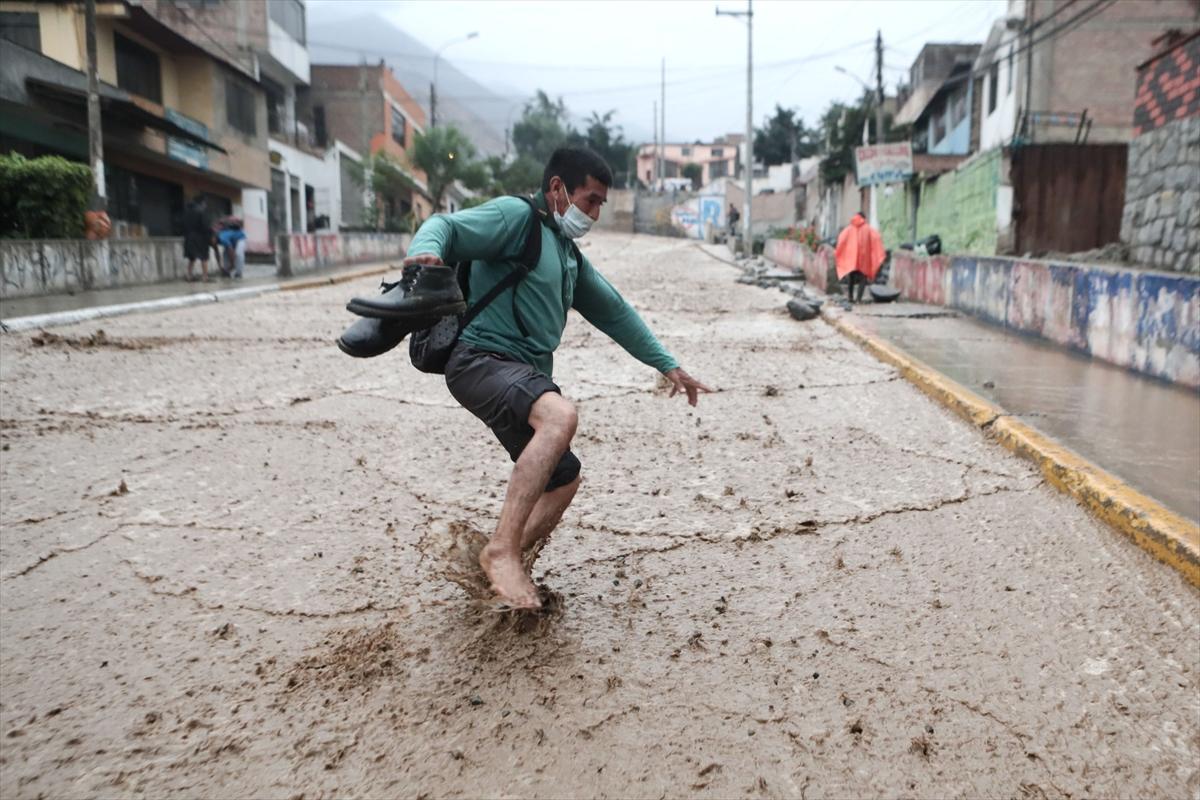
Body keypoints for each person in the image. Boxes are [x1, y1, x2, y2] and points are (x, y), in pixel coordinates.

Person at [374, 147, 712, 609]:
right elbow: (445, 226)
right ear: (557, 189)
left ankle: (489, 569)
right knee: (559, 417)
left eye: (599, 205)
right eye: (589, 200)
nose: (593, 213)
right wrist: (425, 256)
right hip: (480, 359)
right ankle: (503, 553)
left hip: (518, 374)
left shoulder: (567, 255)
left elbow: (615, 311)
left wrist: (669, 365)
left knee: (564, 479)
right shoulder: (516, 218)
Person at [835, 211, 885, 304]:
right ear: (864, 218)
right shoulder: (868, 229)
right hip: (863, 259)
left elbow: (841, 240)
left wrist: (841, 253)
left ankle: (850, 297)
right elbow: (877, 238)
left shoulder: (849, 229)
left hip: (851, 259)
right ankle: (858, 299)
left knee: (851, 277)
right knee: (863, 279)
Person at [182, 196, 211, 282]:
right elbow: (205, 226)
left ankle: (189, 275)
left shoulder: (186, 212)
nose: (205, 205)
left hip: (189, 237)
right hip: (200, 238)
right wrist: (209, 235)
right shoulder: (201, 212)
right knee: (204, 257)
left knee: (192, 258)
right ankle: (205, 277)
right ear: (201, 203)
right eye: (205, 203)